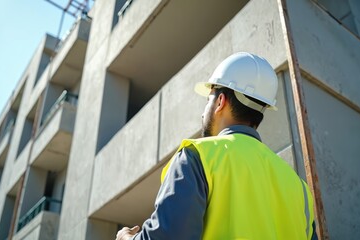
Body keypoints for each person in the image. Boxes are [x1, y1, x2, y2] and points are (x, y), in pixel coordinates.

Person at [116, 52, 317, 240]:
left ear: (220, 101)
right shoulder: (299, 189)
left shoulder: (197, 157)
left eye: (208, 100)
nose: (203, 113)